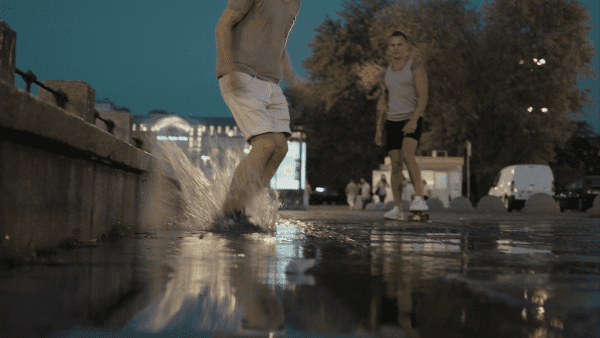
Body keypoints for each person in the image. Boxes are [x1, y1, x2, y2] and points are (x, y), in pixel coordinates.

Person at [215, 0, 308, 226]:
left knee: (279, 147)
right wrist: (229, 66)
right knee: (264, 144)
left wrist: (293, 79)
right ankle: (228, 214)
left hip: (271, 85)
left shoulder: (295, 3)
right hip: (241, 75)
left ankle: (240, 208)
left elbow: (279, 45)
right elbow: (223, 25)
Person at [357, 31, 429, 220]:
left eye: (400, 45)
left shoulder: (415, 68)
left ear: (407, 49)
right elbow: (383, 102)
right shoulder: (386, 73)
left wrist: (414, 120)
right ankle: (398, 208)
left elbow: (423, 97)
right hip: (392, 121)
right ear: (388, 49)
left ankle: (419, 198)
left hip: (411, 118)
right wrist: (379, 128)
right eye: (392, 45)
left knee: (407, 154)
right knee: (395, 165)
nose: (396, 48)